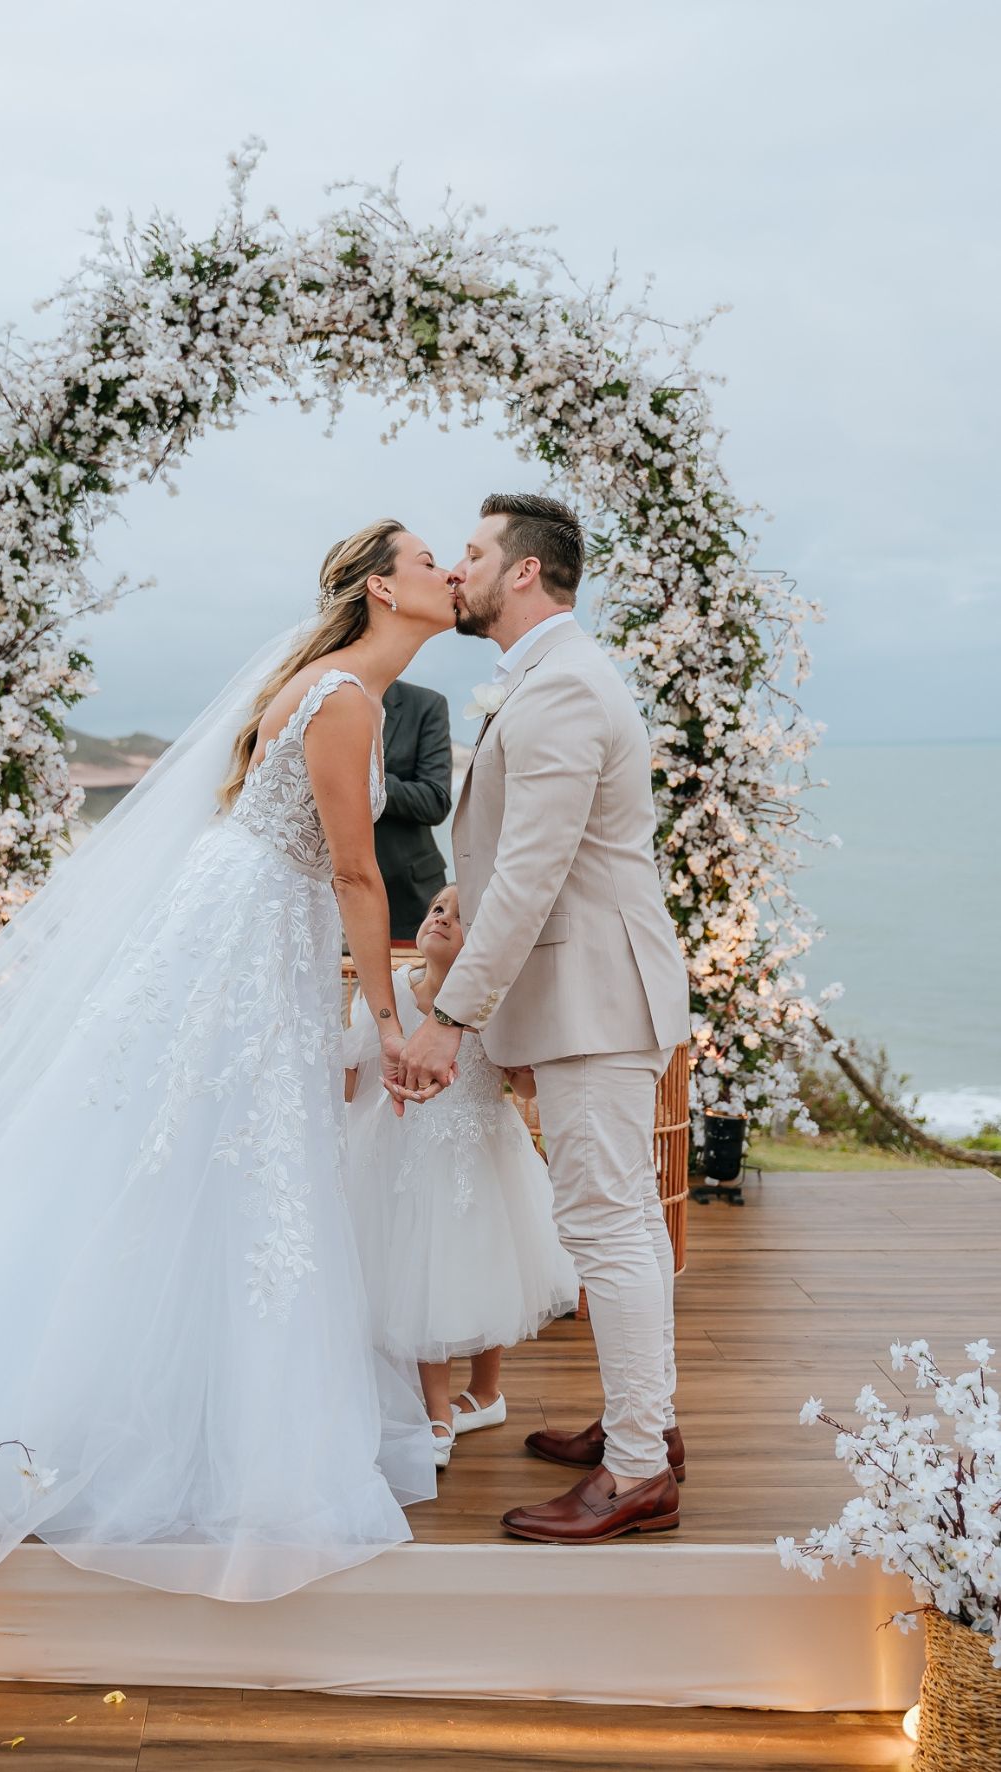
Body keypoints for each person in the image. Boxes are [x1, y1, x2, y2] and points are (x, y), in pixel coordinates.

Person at [0, 519, 457, 1602]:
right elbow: (356, 874)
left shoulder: (323, 680)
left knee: (191, 1150)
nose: (447, 571)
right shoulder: (346, 699)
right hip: (247, 939)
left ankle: (175, 1390)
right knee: (216, 1152)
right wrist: (389, 1020)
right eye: (429, 559)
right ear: (384, 590)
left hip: (240, 922)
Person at [396, 492, 691, 1545]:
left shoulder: (563, 686)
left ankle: (635, 1471)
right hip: (583, 990)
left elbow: (530, 873)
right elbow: (508, 862)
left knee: (606, 1225)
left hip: (594, 995)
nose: (459, 567)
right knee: (612, 1222)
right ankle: (637, 1419)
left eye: (472, 552)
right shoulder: (545, 679)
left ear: (522, 571)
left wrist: (450, 1017)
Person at [342, 884, 578, 1469]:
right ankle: (438, 1413)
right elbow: (355, 1079)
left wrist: (532, 1061)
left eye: (460, 914)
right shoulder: (392, 995)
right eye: (436, 908)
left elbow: (520, 1086)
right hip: (408, 1156)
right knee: (426, 1275)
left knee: (485, 1268)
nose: (442, 917)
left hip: (484, 1151)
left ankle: (488, 1392)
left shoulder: (492, 1005)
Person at [373, 680, 453, 941]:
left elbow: (435, 800)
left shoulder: (426, 704)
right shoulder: (315, 700)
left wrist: (368, 778)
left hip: (409, 896)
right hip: (319, 890)